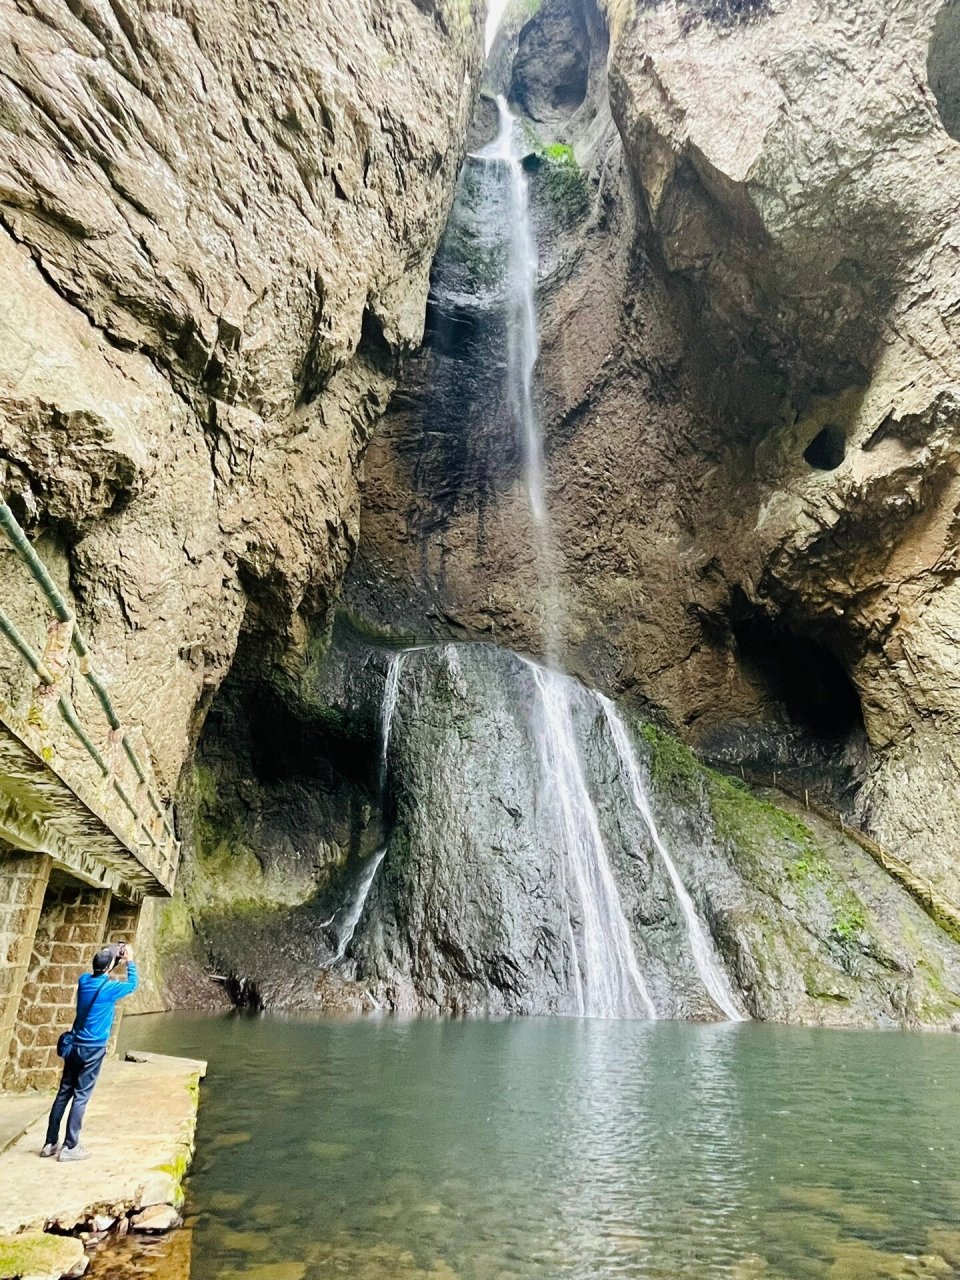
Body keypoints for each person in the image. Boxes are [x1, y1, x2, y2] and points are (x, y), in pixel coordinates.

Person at [41, 942, 138, 1162]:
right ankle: (70, 1147)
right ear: (109, 968)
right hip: (93, 1049)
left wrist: (111, 958)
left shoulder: (84, 981)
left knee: (64, 1093)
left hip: (74, 1046)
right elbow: (133, 984)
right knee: (81, 1096)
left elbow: (100, 971)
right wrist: (129, 960)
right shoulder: (110, 989)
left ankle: (49, 1143)